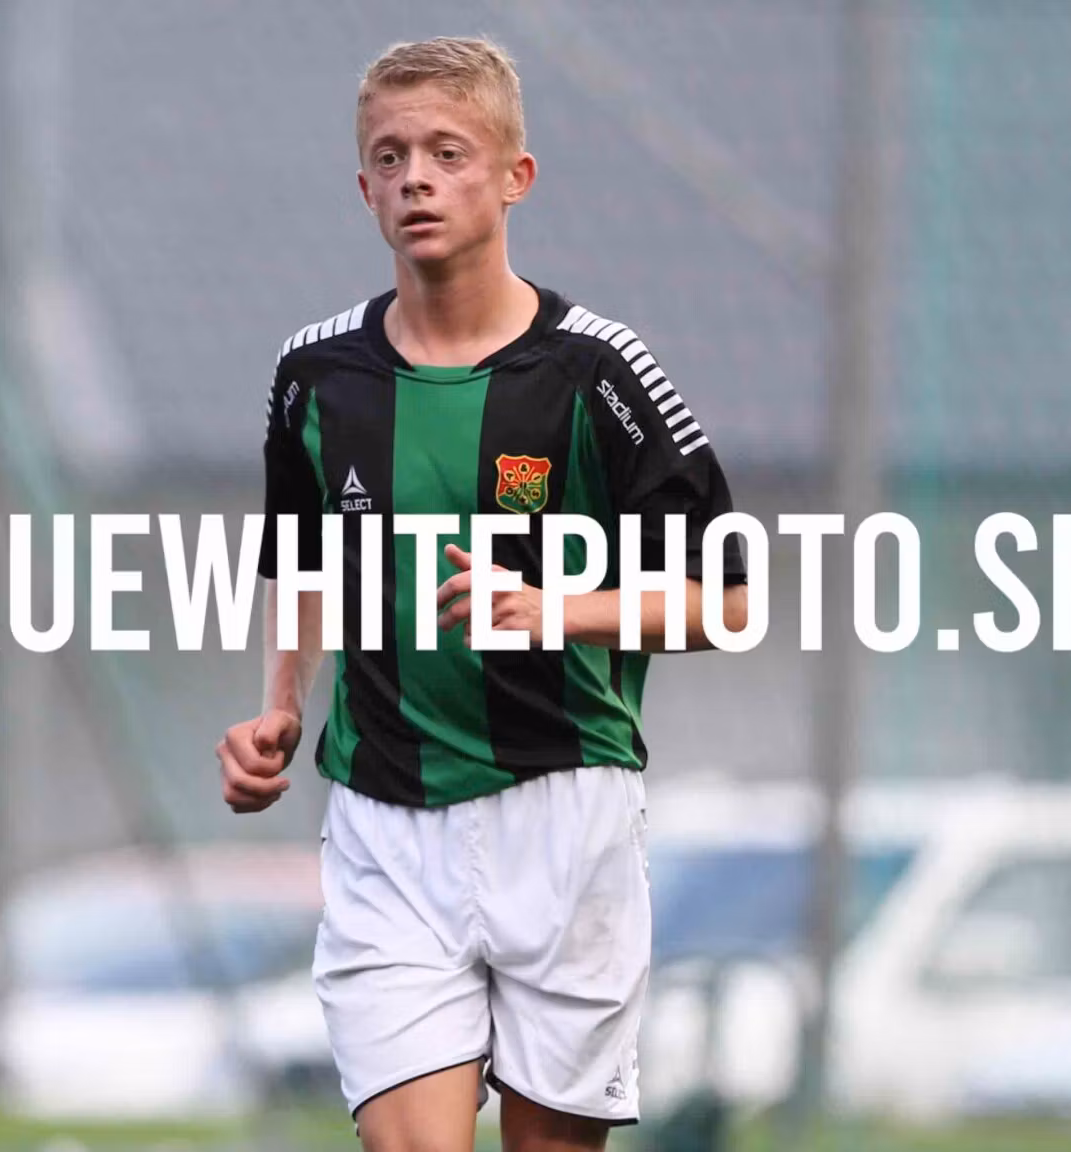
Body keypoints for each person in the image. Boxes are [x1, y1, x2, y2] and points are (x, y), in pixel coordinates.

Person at [216, 36, 751, 1152]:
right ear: (363, 188)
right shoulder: (314, 376)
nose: (416, 178)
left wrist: (559, 610)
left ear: (516, 176)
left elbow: (726, 601)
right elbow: (304, 560)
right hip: (384, 821)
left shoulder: (597, 373)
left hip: (564, 814)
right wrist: (279, 706)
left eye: (447, 153)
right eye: (390, 156)